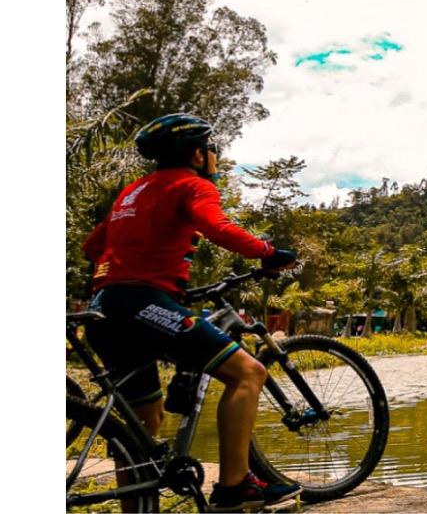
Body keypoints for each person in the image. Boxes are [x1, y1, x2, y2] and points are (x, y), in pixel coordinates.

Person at [82, 113, 302, 512]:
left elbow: (93, 246)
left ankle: (138, 507)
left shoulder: (132, 191)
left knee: (141, 427)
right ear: (198, 153)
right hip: (141, 302)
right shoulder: (192, 184)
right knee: (248, 372)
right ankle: (235, 488)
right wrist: (270, 253)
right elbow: (217, 227)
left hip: (104, 309)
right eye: (210, 149)